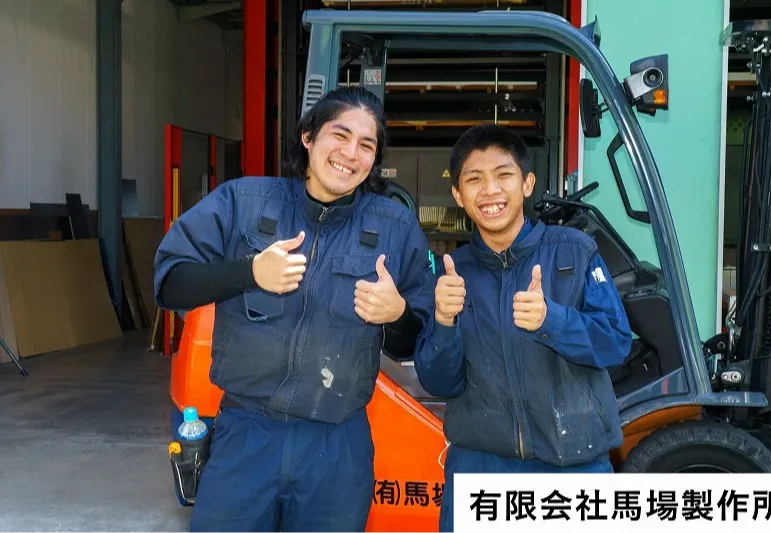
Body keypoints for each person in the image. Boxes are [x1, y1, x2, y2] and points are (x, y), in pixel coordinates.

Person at [153, 86, 436, 533]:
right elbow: (170, 283)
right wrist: (249, 272)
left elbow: (417, 341)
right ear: (308, 137)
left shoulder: (394, 227)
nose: (350, 154)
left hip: (336, 447)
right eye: (340, 135)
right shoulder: (244, 202)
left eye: (366, 145)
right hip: (246, 436)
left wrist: (397, 313)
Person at [413, 124, 633, 532]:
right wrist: (443, 322)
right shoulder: (452, 275)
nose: (490, 190)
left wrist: (553, 320)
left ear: (527, 183)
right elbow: (439, 381)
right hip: (481, 471)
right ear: (458, 195)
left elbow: (616, 343)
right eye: (474, 179)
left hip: (573, 469)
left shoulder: (574, 252)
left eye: (503, 175)